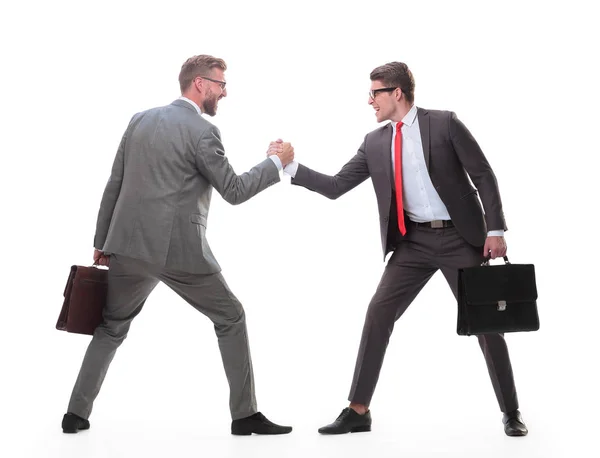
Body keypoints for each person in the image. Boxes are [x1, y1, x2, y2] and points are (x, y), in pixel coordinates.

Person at [270, 61, 528, 437]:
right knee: (378, 313)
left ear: (396, 93)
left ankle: (512, 411)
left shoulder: (444, 123)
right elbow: (337, 184)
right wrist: (291, 166)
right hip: (413, 244)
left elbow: (483, 173)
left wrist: (494, 228)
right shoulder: (375, 142)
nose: (369, 100)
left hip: (461, 238)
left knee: (487, 326)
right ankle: (358, 410)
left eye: (375, 92)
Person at [62, 54, 293, 436]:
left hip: (127, 245)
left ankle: (75, 415)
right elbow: (234, 190)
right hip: (179, 252)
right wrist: (274, 163)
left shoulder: (140, 119)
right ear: (200, 84)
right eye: (221, 84)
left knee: (111, 327)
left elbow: (113, 184)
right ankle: (245, 415)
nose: (224, 92)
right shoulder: (203, 132)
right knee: (231, 316)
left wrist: (102, 242)